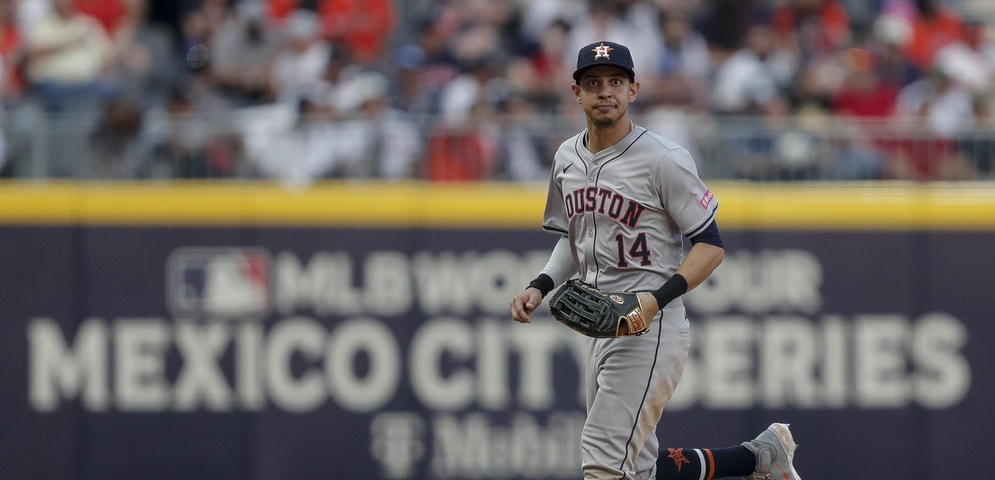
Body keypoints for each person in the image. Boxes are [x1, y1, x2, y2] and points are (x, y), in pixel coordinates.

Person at [509, 40, 803, 480]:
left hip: (651, 326)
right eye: (593, 83)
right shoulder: (566, 157)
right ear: (576, 93)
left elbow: (710, 246)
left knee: (602, 461)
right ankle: (759, 457)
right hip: (599, 328)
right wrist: (541, 284)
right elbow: (575, 238)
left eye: (615, 82)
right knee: (638, 467)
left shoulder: (663, 158)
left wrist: (655, 298)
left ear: (633, 90)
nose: (605, 91)